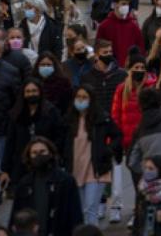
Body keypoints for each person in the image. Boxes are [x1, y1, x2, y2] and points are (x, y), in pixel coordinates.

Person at [64, 84, 122, 227]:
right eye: (78, 97)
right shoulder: (68, 120)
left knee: (90, 209)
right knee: (80, 210)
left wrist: (107, 150)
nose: (81, 100)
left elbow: (117, 136)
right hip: (75, 170)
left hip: (96, 170)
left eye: (85, 97)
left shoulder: (101, 119)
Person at [109, 51, 155, 224]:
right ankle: (140, 210)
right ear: (130, 69)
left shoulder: (151, 87)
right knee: (136, 178)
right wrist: (116, 139)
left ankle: (141, 212)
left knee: (145, 179)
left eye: (142, 68)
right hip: (129, 141)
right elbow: (116, 115)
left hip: (147, 141)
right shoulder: (122, 89)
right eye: (136, 67)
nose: (139, 70)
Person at [12, 137, 83, 236]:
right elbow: (15, 215)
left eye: (42, 151)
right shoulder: (24, 183)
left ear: (51, 153)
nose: (38, 155)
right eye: (34, 153)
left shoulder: (66, 181)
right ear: (29, 156)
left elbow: (75, 214)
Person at [2, 80, 66, 182]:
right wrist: (5, 169)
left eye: (34, 91)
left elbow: (60, 136)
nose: (31, 94)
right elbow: (10, 142)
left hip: (46, 161)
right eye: (28, 91)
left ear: (40, 92)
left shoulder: (51, 111)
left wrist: (49, 151)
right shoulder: (16, 114)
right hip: (21, 163)